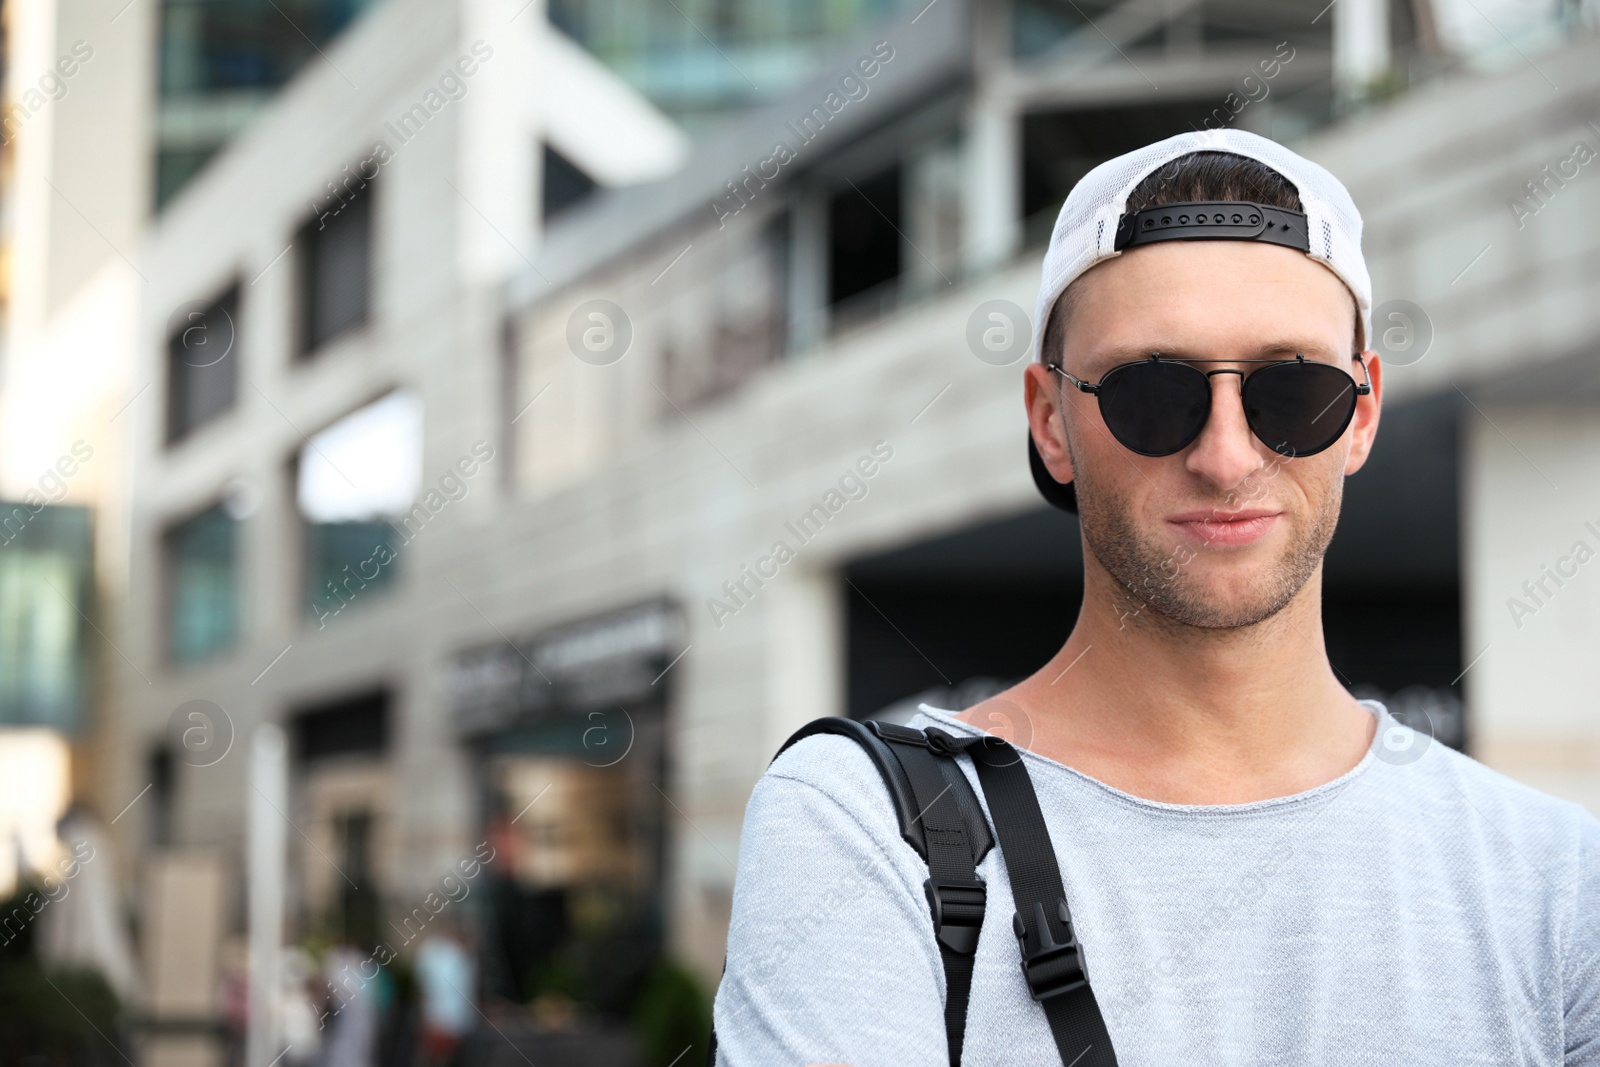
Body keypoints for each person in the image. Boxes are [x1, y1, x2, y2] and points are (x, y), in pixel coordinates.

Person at [707, 129, 1600, 1065]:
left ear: (1361, 416)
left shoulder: (1550, 878)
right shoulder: (866, 829)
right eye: (1151, 394)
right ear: (1051, 424)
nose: (1224, 456)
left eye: (1291, 393)